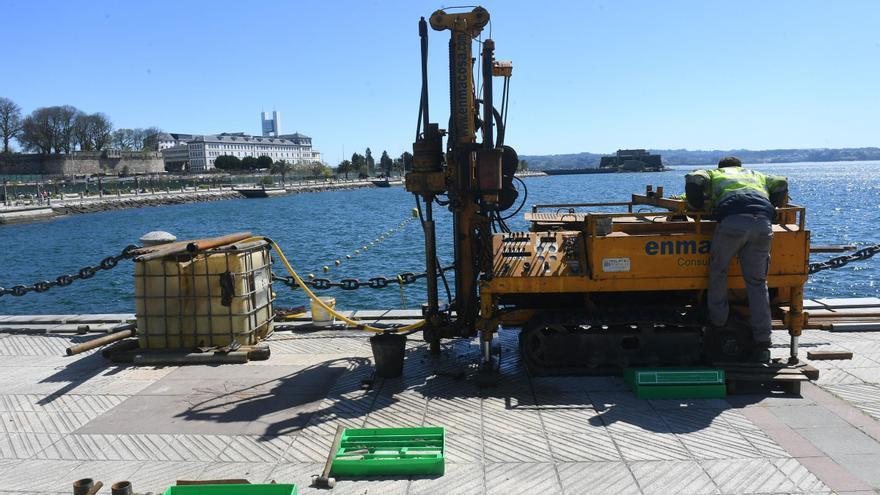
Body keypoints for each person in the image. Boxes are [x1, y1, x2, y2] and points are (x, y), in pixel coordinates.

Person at [685, 156, 788, 360]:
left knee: (718, 271)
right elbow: (781, 182)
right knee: (758, 282)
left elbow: (694, 178)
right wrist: (773, 206)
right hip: (763, 223)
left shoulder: (716, 174)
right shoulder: (756, 175)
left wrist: (696, 205)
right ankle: (763, 338)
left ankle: (718, 322)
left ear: (721, 167)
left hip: (733, 222)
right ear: (740, 167)